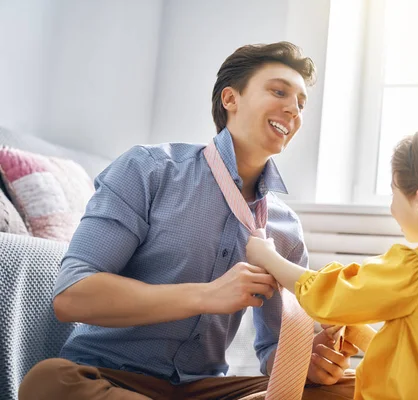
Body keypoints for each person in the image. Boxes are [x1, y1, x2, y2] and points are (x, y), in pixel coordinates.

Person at [19, 41, 357, 400]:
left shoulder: (285, 229)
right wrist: (208, 295)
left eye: (301, 103)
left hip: (204, 388)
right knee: (48, 382)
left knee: (357, 388)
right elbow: (72, 295)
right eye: (279, 91)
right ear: (231, 99)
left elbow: (275, 352)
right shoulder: (149, 170)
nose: (294, 109)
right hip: (111, 377)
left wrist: (307, 360)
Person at [246, 125, 418, 400]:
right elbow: (417, 357)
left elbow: (329, 294)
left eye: (393, 192)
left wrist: (268, 257)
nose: (391, 207)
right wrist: (357, 332)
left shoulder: (416, 268)